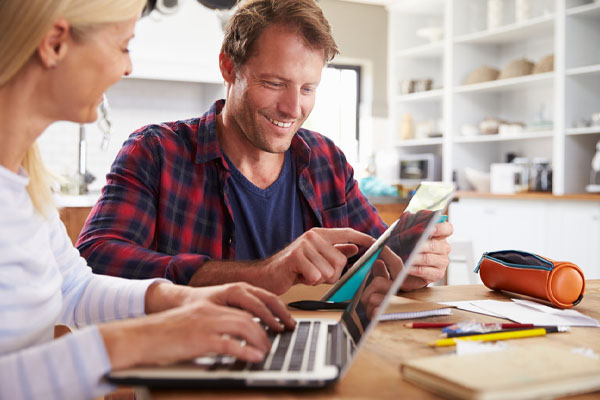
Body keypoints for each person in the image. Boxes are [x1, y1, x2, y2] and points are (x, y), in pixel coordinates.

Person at [0, 1, 296, 399]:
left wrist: (188, 299)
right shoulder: (154, 148)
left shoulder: (24, 184)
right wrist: (141, 339)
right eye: (123, 46)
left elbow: (72, 287)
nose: (128, 67)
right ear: (55, 44)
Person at [76, 0, 453, 296]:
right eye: (274, 83)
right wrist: (263, 273)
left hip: (307, 359)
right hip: (194, 362)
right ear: (228, 67)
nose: (293, 108)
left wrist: (411, 268)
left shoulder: (325, 160)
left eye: (308, 89)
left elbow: (378, 261)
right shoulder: (156, 152)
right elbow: (95, 260)